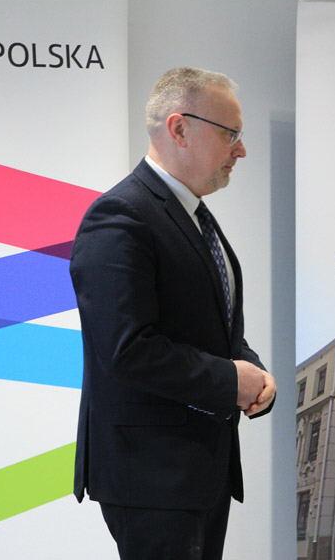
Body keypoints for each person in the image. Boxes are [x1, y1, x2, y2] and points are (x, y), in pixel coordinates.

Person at [70, 67, 276, 560]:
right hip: (151, 477)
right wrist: (231, 381)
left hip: (197, 472)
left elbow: (215, 327)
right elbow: (128, 349)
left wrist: (254, 374)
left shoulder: (193, 215)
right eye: (231, 134)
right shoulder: (121, 215)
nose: (241, 151)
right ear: (180, 128)